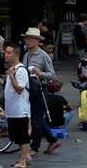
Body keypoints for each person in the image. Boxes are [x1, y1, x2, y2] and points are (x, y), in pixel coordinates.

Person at [22, 27, 60, 156]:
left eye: (31, 38)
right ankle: (53, 140)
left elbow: (52, 73)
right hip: (29, 89)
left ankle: (35, 147)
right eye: (27, 38)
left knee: (37, 119)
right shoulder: (26, 55)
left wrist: (41, 74)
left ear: (37, 41)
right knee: (36, 119)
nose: (28, 41)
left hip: (39, 89)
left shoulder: (43, 55)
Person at [3, 44, 31, 168]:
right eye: (5, 52)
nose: (6, 55)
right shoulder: (12, 69)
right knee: (15, 136)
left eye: (9, 53)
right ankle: (26, 155)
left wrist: (11, 76)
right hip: (11, 110)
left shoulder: (21, 70)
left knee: (22, 136)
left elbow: (19, 89)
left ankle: (23, 161)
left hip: (20, 110)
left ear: (16, 55)